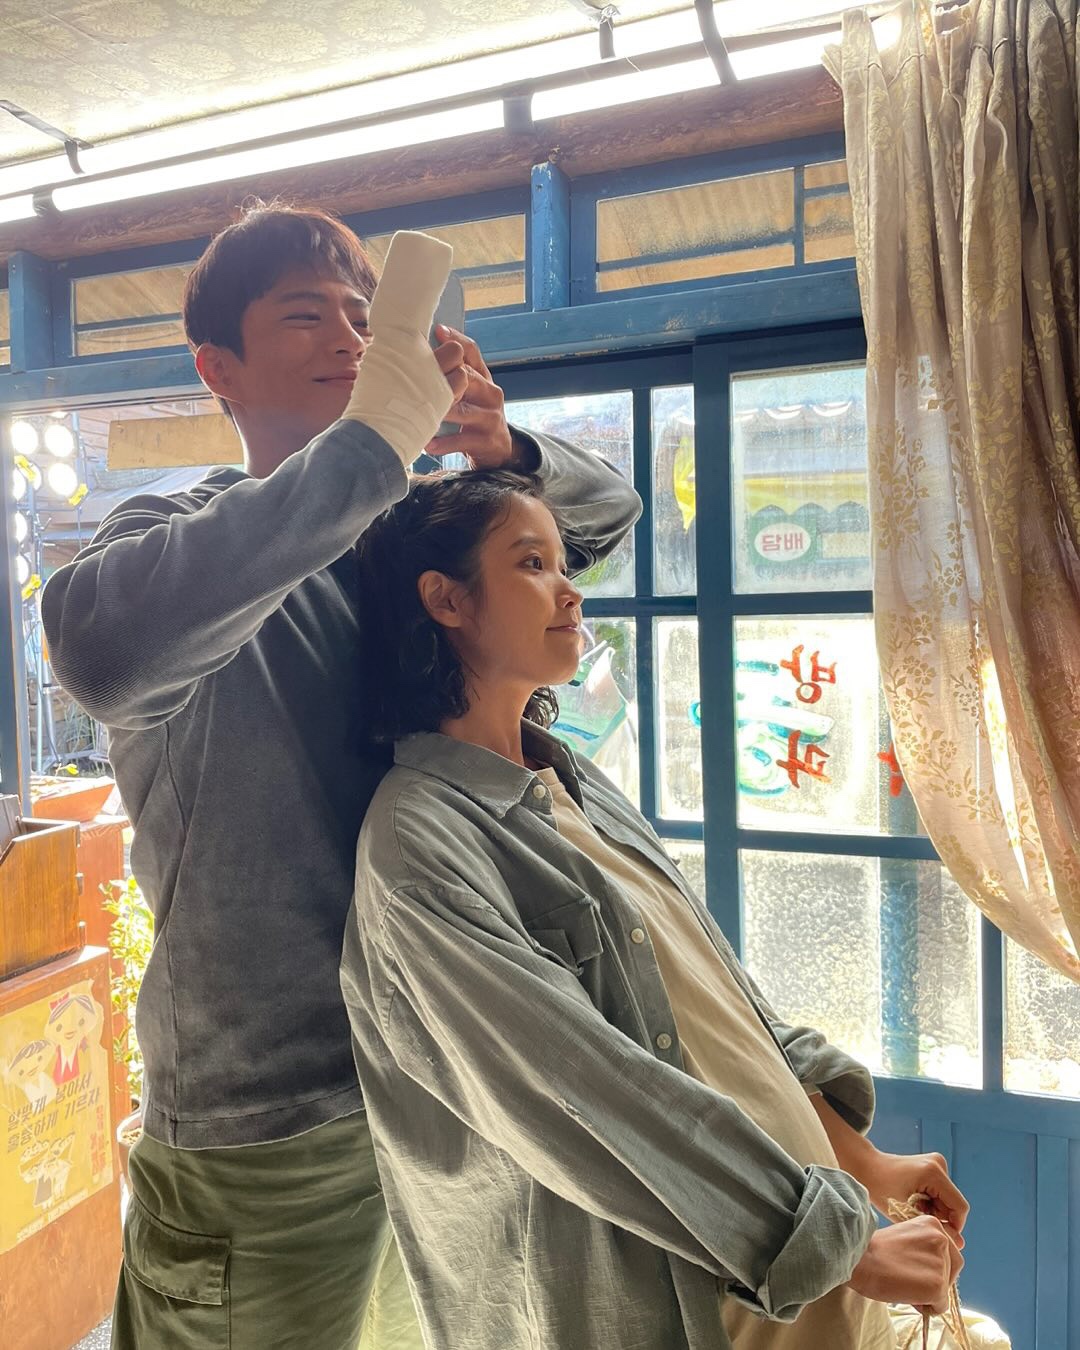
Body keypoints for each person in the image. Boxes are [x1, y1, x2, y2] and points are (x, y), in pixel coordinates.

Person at [41, 214, 640, 1350]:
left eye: (365, 317)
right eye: (304, 314)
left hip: (445, 1079)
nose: (349, 337)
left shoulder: (409, 548)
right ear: (218, 369)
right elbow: (103, 652)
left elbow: (606, 517)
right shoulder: (178, 531)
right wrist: (372, 446)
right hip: (269, 1120)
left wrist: (502, 451)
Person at [341, 466, 969, 1350]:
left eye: (565, 564)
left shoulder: (573, 780)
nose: (570, 591)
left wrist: (862, 1165)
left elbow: (724, 1008)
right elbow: (583, 1092)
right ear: (445, 599)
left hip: (814, 1281)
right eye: (531, 564)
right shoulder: (419, 846)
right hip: (698, 1306)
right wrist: (845, 1245)